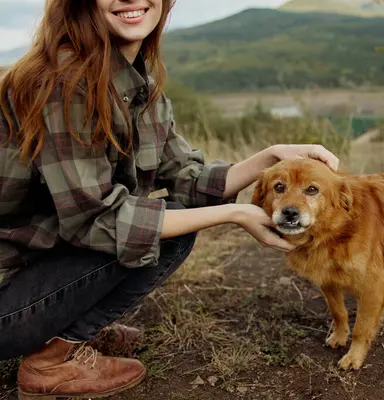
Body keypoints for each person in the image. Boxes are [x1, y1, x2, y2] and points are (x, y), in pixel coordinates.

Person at [0, 1, 339, 399]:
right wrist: (232, 213)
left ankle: (67, 329)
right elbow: (95, 221)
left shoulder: (138, 84)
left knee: (176, 221)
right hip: (7, 293)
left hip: (35, 271)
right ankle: (49, 362)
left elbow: (187, 177)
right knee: (171, 227)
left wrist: (270, 156)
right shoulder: (64, 82)